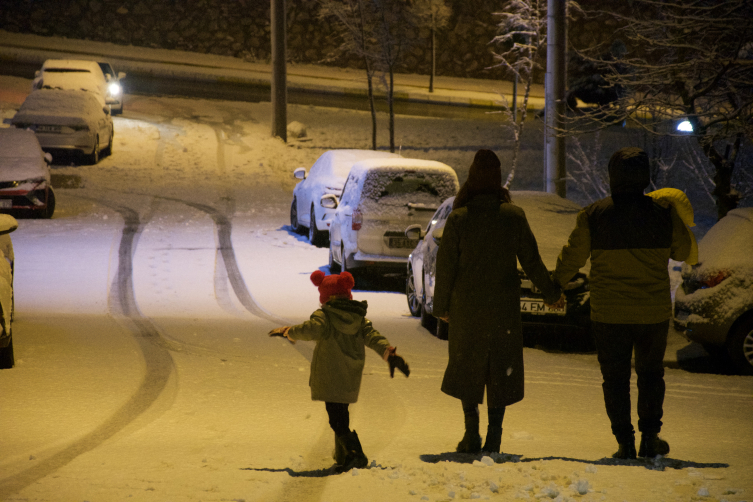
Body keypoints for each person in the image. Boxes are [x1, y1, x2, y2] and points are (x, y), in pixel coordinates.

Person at [552, 147, 692, 459]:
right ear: (645, 177)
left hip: (609, 315)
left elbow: (572, 257)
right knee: (651, 376)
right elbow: (682, 252)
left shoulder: (594, 215)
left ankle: (624, 443)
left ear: (613, 176)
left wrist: (553, 286)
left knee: (615, 379)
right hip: (652, 313)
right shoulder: (663, 212)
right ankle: (650, 439)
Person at [433, 149, 562, 454]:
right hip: (503, 308)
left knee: (468, 367)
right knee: (499, 370)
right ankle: (494, 436)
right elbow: (532, 261)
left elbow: (445, 267)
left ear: (473, 177)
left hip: (467, 309)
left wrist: (441, 308)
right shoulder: (513, 217)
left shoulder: (459, 218)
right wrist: (551, 293)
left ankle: (470, 434)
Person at [269, 270, 410, 471]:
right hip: (349, 375)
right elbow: (373, 336)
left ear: (324, 297)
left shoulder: (324, 316)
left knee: (337, 421)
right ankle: (344, 454)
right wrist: (389, 353)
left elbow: (310, 329)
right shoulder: (359, 319)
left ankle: (356, 454)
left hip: (330, 374)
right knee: (341, 414)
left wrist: (288, 331)